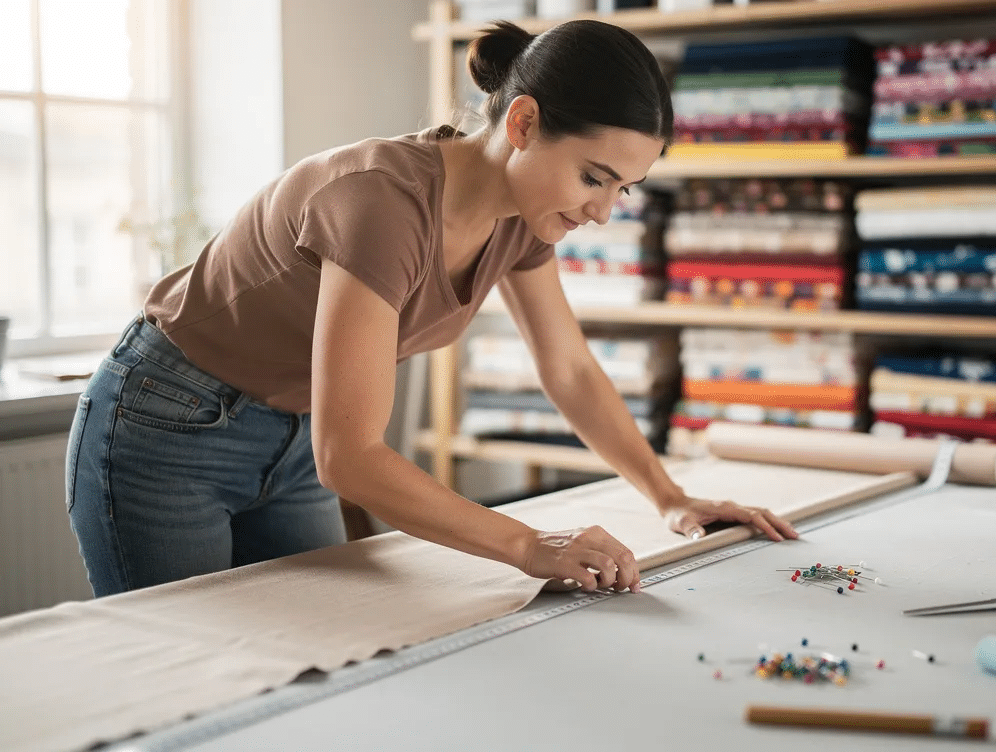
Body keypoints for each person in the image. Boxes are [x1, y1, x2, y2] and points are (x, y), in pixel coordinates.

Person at [65, 19, 797, 599]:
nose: (604, 212)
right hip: (167, 426)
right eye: (593, 178)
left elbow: (568, 368)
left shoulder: (523, 217)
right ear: (522, 123)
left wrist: (670, 498)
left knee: (323, 659)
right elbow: (351, 456)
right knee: (186, 689)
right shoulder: (382, 202)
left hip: (289, 443)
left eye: (623, 190)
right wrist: (527, 546)